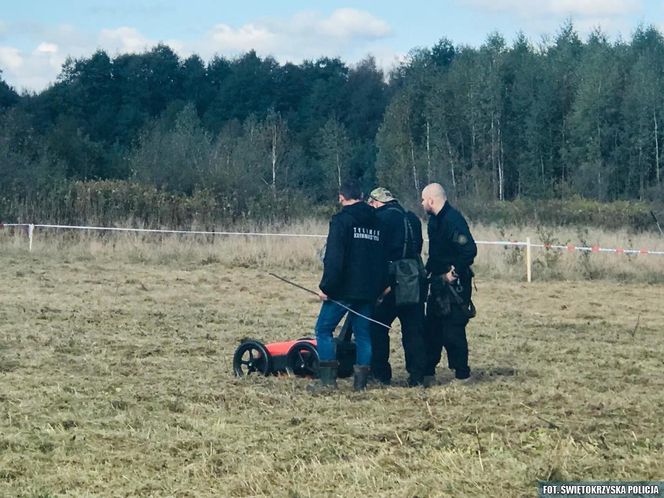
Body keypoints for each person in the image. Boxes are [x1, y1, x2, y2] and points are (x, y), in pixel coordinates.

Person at [312, 180, 388, 391]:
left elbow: (334, 258)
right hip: (368, 291)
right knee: (363, 335)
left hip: (344, 290)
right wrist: (380, 288)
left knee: (323, 329)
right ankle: (360, 384)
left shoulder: (341, 221)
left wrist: (326, 288)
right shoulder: (377, 221)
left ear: (341, 197)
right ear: (362, 196)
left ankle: (327, 382)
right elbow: (382, 258)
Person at [367, 187, 428, 386]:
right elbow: (417, 247)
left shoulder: (379, 219)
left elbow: (377, 252)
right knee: (413, 329)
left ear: (376, 202)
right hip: (413, 276)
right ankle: (417, 375)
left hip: (391, 279)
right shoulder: (412, 218)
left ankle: (381, 374)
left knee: (378, 327)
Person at [421, 183, 477, 384]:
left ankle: (462, 375)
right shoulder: (434, 222)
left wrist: (455, 273)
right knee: (433, 329)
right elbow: (436, 254)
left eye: (423, 199)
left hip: (455, 286)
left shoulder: (453, 220)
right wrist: (425, 274)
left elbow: (469, 250)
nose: (421, 203)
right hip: (437, 283)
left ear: (431, 200)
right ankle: (428, 373)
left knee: (453, 330)